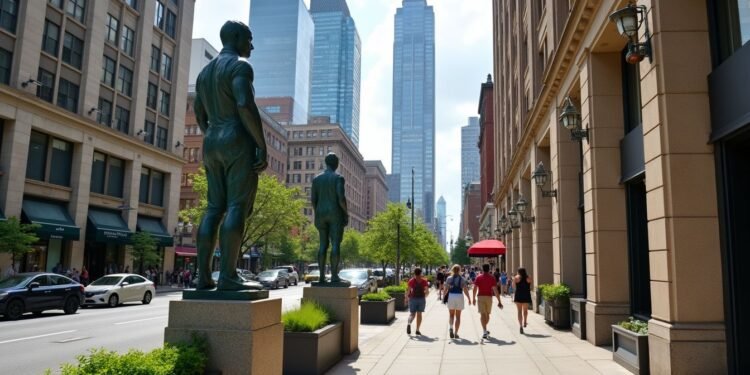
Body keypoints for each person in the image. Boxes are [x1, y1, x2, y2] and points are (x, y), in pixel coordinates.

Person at [194, 20, 267, 291]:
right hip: (236, 138)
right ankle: (227, 276)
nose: (252, 45)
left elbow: (200, 114)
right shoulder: (240, 66)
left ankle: (202, 277)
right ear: (235, 37)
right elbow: (244, 104)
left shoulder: (203, 74)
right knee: (236, 206)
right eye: (249, 38)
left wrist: (212, 134)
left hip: (212, 142)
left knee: (213, 208)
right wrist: (261, 143)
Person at [311, 153, 349, 284]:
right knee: (335, 244)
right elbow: (341, 198)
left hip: (320, 214)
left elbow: (313, 200)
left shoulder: (316, 179)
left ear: (326, 163)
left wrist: (318, 212)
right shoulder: (338, 178)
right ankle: (334, 276)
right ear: (336, 164)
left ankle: (321, 277)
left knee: (322, 245)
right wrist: (346, 213)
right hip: (335, 213)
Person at [472, 264, 503, 339]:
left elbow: (475, 288)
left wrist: (473, 298)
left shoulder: (478, 277)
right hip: (489, 297)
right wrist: (499, 301)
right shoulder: (492, 278)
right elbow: (495, 290)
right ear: (489, 269)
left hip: (480, 297)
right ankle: (485, 330)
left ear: (482, 269)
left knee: (483, 314)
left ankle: (484, 329)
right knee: (487, 315)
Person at [443, 264, 471, 339]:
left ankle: (451, 327)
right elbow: (465, 290)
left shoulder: (449, 278)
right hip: (459, 296)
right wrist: (469, 298)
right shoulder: (462, 279)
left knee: (451, 315)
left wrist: (443, 297)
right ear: (459, 270)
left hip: (451, 296)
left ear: (452, 270)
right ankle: (456, 333)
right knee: (458, 316)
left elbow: (445, 289)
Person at [405, 267, 429, 335]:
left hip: (413, 299)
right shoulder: (424, 281)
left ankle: (409, 323)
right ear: (420, 273)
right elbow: (427, 292)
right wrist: (425, 297)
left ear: (414, 273)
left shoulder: (411, 280)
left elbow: (408, 291)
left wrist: (406, 298)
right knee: (419, 314)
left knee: (412, 314)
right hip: (421, 299)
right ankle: (417, 330)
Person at [513, 267, 533, 334]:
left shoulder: (516, 278)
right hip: (526, 295)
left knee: (519, 311)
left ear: (518, 272)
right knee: (525, 310)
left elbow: (513, 286)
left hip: (518, 295)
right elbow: (530, 285)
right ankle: (525, 321)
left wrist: (514, 280)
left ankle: (520, 326)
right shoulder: (528, 277)